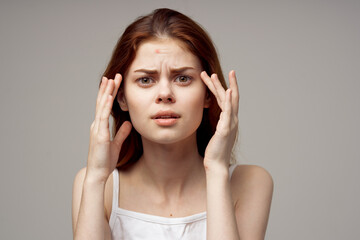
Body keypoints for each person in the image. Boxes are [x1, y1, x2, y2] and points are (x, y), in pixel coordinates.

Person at [72, 8, 273, 240]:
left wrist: (217, 170)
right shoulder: (98, 184)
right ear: (122, 97)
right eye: (145, 80)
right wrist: (97, 177)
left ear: (209, 94)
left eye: (183, 78)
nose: (165, 93)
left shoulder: (250, 183)